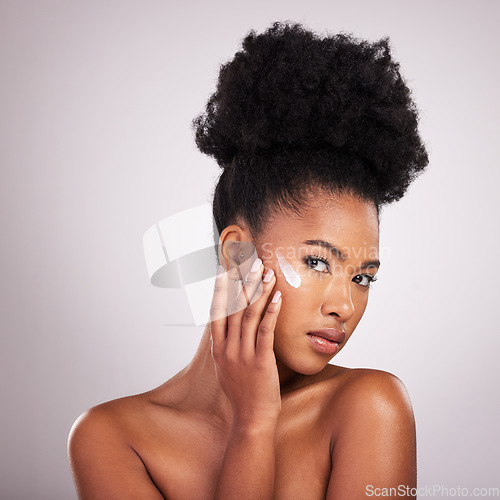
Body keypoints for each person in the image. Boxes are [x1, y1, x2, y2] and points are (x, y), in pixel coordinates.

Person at [68, 21, 428, 499]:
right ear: (236, 253)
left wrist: (256, 424)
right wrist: (253, 424)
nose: (345, 305)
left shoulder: (370, 408)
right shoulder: (112, 438)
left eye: (363, 277)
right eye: (318, 262)